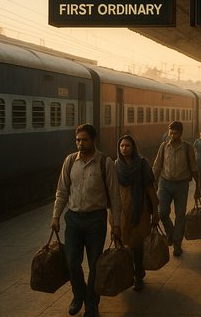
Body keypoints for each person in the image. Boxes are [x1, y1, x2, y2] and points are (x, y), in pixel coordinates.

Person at [51, 124, 122, 317]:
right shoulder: (70, 161)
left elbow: (115, 196)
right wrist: (56, 216)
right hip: (73, 219)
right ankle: (78, 295)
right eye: (78, 140)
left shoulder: (105, 162)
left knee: (94, 265)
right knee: (72, 263)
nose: (80, 144)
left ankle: (92, 304)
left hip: (95, 220)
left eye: (84, 140)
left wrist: (116, 224)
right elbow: (62, 191)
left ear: (93, 140)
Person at [115, 135, 159, 291]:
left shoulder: (142, 164)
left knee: (137, 245)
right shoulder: (116, 166)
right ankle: (127, 273)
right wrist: (112, 215)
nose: (124, 148)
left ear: (133, 147)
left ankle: (138, 275)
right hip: (122, 212)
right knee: (123, 243)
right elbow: (113, 193)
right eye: (121, 146)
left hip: (140, 210)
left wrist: (156, 211)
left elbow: (150, 188)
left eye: (127, 145)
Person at [153, 121, 200, 257]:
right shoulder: (163, 147)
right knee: (162, 213)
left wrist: (198, 188)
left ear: (181, 134)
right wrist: (153, 182)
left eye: (176, 133)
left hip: (181, 186)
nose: (173, 136)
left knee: (180, 215)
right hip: (165, 184)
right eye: (171, 133)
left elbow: (194, 168)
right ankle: (171, 233)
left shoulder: (187, 148)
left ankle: (177, 244)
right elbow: (157, 166)